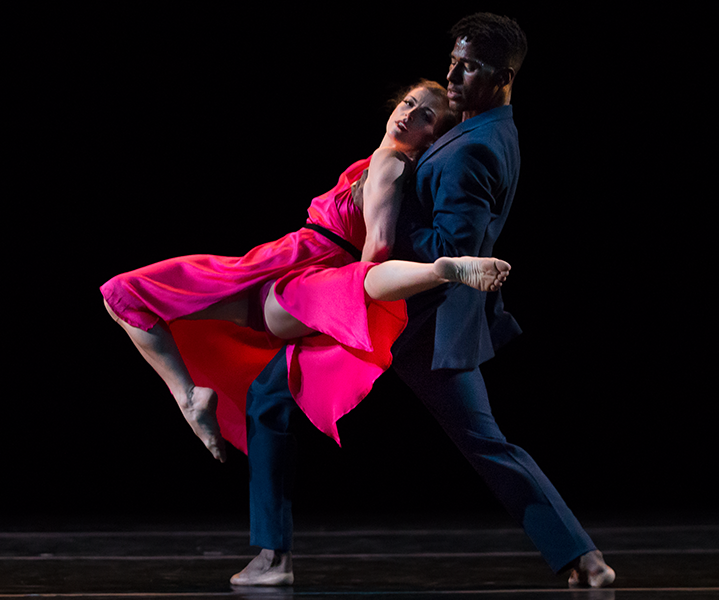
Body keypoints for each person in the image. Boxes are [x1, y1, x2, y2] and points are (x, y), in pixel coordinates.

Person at [232, 13, 615, 590]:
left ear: (504, 75)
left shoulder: (471, 149)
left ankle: (273, 559)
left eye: (470, 66)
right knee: (485, 442)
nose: (453, 74)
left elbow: (453, 250)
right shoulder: (489, 129)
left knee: (269, 398)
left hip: (407, 317)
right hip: (434, 326)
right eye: (454, 60)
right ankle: (583, 557)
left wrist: (381, 210)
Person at [101, 80, 510, 463]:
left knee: (127, 294)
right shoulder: (372, 164)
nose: (409, 114)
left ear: (434, 136)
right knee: (129, 296)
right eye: (409, 103)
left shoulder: (388, 162)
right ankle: (189, 398)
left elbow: (379, 245)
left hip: (303, 267)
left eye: (426, 116)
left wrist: (356, 300)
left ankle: (442, 270)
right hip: (283, 271)